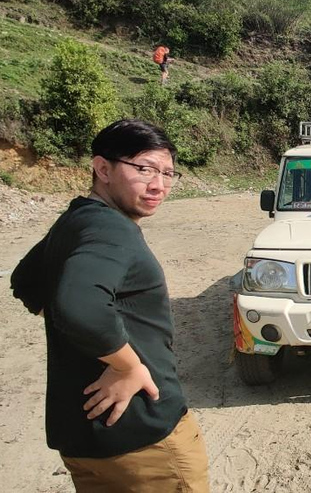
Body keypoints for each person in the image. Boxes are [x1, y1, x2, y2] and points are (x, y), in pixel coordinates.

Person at [10, 120, 209, 491]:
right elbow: (79, 306)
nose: (159, 185)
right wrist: (128, 366)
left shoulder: (78, 218)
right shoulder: (110, 229)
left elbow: (26, 282)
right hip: (144, 442)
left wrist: (89, 347)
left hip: (84, 439)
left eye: (167, 173)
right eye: (144, 169)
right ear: (103, 169)